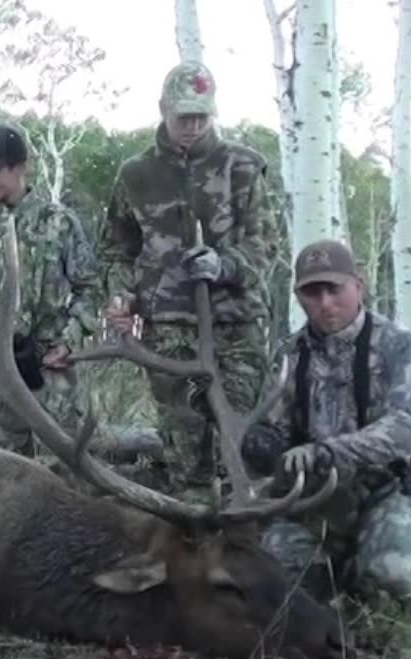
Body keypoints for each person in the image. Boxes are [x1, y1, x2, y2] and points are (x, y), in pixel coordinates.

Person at [97, 61, 276, 493]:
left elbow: (266, 244)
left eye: (201, 116)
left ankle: (244, 543)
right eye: (184, 117)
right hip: (169, 334)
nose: (193, 126)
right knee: (183, 446)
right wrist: (121, 297)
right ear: (163, 109)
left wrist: (225, 264)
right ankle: (194, 542)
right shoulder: (135, 175)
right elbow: (116, 249)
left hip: (236, 329)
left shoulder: (245, 167)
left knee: (242, 447)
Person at [241, 239, 411, 613]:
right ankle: (338, 576)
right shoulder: (289, 355)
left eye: (335, 289)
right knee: (274, 586)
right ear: (299, 297)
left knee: (392, 575)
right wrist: (260, 447)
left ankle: (388, 581)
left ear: (358, 286)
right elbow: (273, 431)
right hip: (316, 505)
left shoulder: (400, 346)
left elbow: (406, 430)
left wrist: (327, 451)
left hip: (387, 493)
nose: (325, 303)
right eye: (312, 293)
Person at [0, 124, 99, 457]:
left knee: (67, 470)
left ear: (20, 167)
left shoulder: (59, 223)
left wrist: (70, 339)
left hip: (51, 365)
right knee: (0, 475)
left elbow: (91, 290)